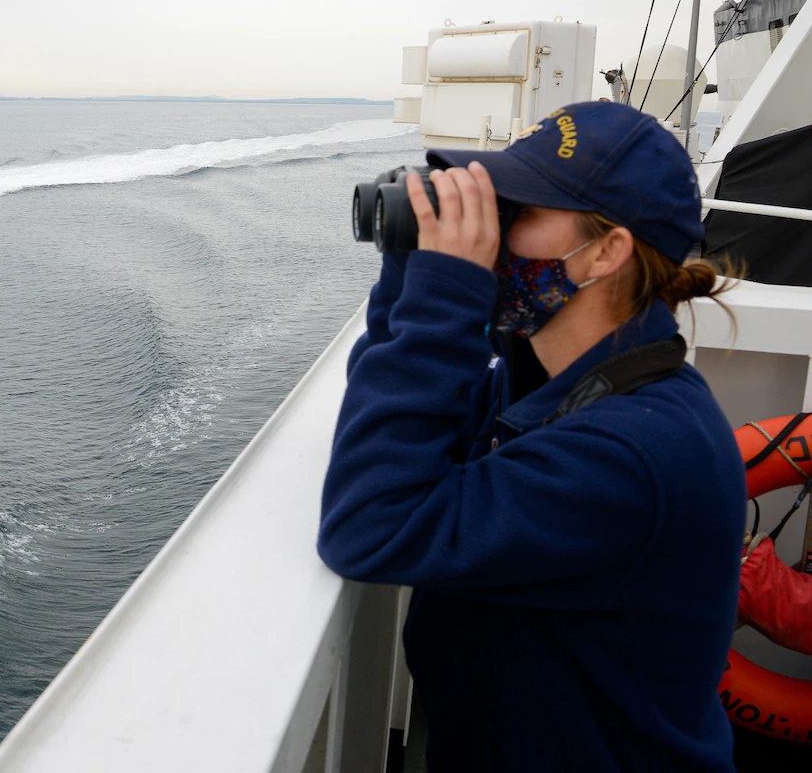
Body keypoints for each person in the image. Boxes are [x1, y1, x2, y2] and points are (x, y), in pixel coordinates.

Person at [318, 102, 745, 771]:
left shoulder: (633, 452)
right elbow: (395, 422)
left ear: (606, 252)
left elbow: (371, 522)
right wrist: (412, 269)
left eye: (520, 211)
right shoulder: (555, 380)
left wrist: (446, 292)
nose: (496, 229)